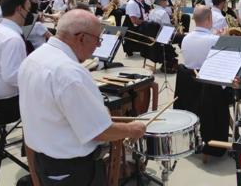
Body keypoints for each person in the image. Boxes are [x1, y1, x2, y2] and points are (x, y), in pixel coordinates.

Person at [19, 10, 146, 185]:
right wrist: (133, 128)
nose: (99, 46)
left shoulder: (33, 58)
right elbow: (99, 132)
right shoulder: (69, 72)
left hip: (44, 161)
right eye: (98, 39)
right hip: (73, 170)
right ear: (81, 38)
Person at [180, 5, 220, 70]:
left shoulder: (185, 38)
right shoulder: (215, 40)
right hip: (207, 77)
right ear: (209, 19)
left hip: (188, 77)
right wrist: (225, 39)